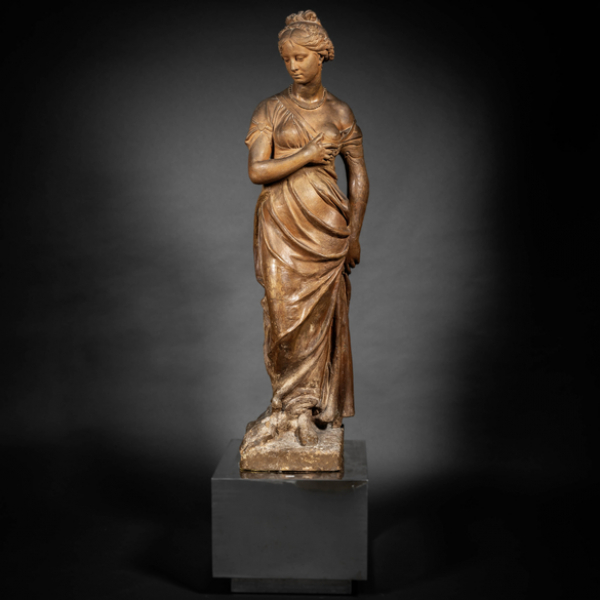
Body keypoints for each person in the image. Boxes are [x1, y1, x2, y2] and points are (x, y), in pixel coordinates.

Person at [241, 10, 369, 452]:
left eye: (300, 57)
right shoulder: (270, 109)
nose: (293, 65)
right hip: (281, 226)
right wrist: (308, 154)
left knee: (320, 322)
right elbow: (257, 170)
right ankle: (287, 408)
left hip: (328, 231)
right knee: (284, 319)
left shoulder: (340, 111)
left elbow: (359, 175)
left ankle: (307, 412)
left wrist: (354, 234)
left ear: (321, 56)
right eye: (286, 58)